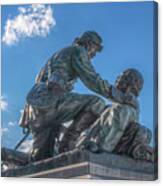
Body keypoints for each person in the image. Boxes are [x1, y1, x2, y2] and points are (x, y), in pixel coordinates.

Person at [19, 31, 138, 161]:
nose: (93, 55)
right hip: (50, 103)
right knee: (97, 103)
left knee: (41, 159)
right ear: (88, 44)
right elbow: (92, 79)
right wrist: (121, 97)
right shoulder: (78, 51)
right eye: (95, 50)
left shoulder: (57, 56)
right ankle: (67, 144)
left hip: (35, 110)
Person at [76, 69, 153, 162]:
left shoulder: (130, 99)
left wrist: (99, 84)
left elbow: (113, 93)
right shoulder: (111, 107)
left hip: (124, 124)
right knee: (103, 113)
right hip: (111, 126)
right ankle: (85, 142)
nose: (117, 80)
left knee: (119, 110)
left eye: (122, 78)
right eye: (118, 78)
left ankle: (104, 147)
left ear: (131, 85)